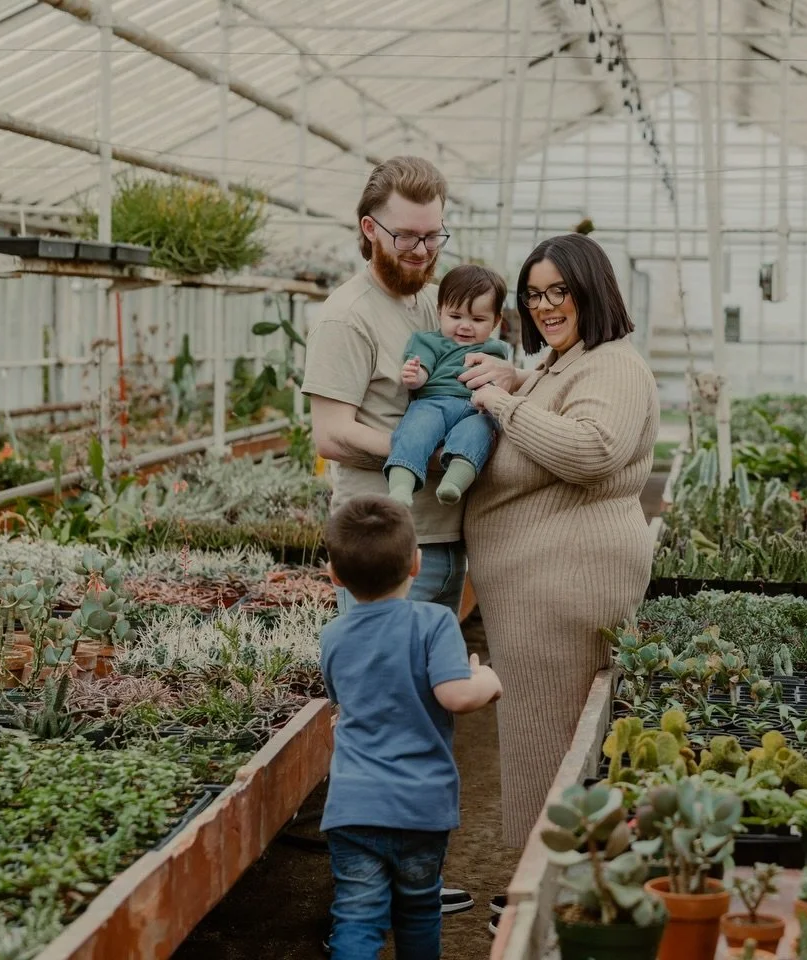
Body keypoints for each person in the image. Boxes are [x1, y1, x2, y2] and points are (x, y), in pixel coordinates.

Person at [301, 155, 488, 916]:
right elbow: (333, 431)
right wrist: (419, 448)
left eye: (434, 236)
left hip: (439, 540)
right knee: (378, 718)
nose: (422, 252)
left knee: (430, 712)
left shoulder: (427, 302)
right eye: (408, 238)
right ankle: (360, 894)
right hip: (382, 546)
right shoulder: (347, 316)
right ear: (367, 228)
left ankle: (415, 878)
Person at [463, 233, 660, 856]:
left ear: (591, 291)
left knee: (548, 740)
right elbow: (564, 399)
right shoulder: (568, 360)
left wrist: (500, 403)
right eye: (533, 294)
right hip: (539, 592)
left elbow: (591, 447)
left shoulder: (616, 363)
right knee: (535, 735)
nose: (545, 306)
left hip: (565, 587)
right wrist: (519, 380)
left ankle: (543, 888)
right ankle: (543, 880)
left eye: (559, 292)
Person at [320, 495, 503, 960]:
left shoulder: (333, 635)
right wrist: (486, 680)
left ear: (334, 576)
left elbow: (343, 699)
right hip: (419, 805)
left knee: (357, 916)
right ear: (417, 564)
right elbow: (456, 696)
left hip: (353, 806)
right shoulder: (434, 622)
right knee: (419, 910)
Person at [385, 265, 511, 507]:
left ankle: (454, 481)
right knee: (415, 430)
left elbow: (502, 383)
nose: (465, 326)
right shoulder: (430, 342)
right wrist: (415, 375)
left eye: (478, 319)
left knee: (478, 432)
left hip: (477, 409)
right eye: (455, 317)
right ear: (440, 311)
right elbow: (423, 370)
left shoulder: (496, 351)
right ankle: (401, 485)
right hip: (434, 403)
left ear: (496, 321)